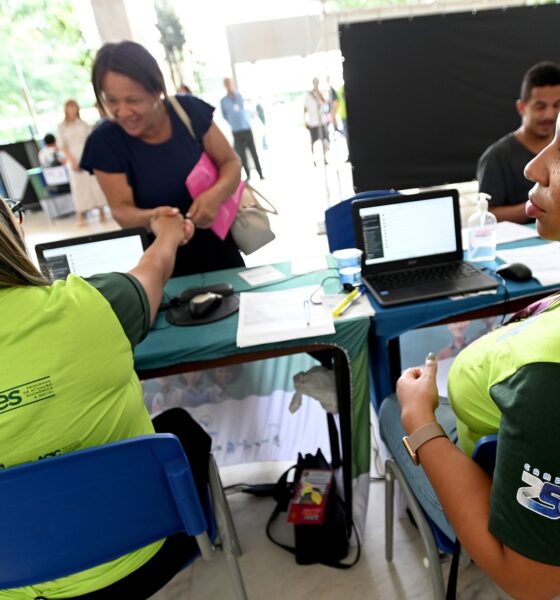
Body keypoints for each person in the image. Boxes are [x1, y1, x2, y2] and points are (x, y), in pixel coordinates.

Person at [0, 197, 215, 598]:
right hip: (145, 559)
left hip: (17, 586)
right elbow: (153, 269)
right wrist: (167, 234)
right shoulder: (92, 304)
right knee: (179, 428)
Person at [388, 112, 560, 599]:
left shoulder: (550, 379)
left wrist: (418, 420)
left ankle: (426, 513)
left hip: (482, 480)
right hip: (498, 432)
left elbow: (532, 580)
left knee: (386, 408)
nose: (533, 168)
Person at [81, 41, 244, 277]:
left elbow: (231, 163)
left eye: (133, 100)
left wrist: (214, 195)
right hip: (162, 268)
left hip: (222, 250)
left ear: (157, 91)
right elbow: (121, 210)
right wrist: (155, 219)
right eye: (111, 101)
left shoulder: (188, 110)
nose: (123, 112)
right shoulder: (105, 142)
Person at [477, 61, 560, 224]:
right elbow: (486, 214)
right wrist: (539, 203)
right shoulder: (497, 156)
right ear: (522, 107)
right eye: (540, 106)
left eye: (557, 105)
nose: (550, 115)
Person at [57, 99, 108, 226]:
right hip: (72, 156)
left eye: (74, 107)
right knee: (78, 187)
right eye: (70, 107)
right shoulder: (62, 127)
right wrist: (72, 160)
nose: (72, 110)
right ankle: (80, 214)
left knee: (94, 184)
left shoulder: (83, 124)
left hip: (87, 155)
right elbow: (62, 146)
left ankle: (101, 210)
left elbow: (91, 140)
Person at [220, 78, 264, 181]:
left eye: (229, 83)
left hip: (246, 128)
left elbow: (248, 109)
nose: (228, 85)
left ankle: (260, 173)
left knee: (253, 152)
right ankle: (248, 175)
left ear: (232, 84)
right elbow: (225, 115)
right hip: (236, 131)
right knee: (242, 155)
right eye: (226, 84)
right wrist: (232, 122)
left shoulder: (240, 96)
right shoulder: (223, 101)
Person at [304, 77, 329, 165]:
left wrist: (319, 93)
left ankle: (325, 158)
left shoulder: (320, 93)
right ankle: (314, 159)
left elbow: (325, 103)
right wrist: (305, 121)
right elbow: (305, 109)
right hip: (313, 123)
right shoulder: (308, 95)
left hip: (321, 122)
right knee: (313, 142)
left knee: (325, 141)